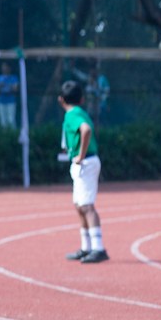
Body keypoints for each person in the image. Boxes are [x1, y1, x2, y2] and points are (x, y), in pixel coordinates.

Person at [59, 79, 106, 263]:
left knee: (86, 206)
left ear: (61, 100)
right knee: (79, 205)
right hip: (83, 163)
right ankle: (86, 247)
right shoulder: (81, 112)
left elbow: (85, 131)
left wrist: (80, 154)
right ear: (82, 99)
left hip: (85, 163)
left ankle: (98, 247)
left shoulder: (72, 115)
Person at [0, 62, 20, 130]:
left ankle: (13, 135)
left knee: (11, 120)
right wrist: (0, 85)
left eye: (5, 67)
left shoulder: (13, 78)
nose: (4, 69)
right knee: (3, 121)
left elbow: (16, 88)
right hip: (1, 101)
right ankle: (4, 136)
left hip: (11, 101)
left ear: (9, 68)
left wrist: (8, 85)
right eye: (3, 67)